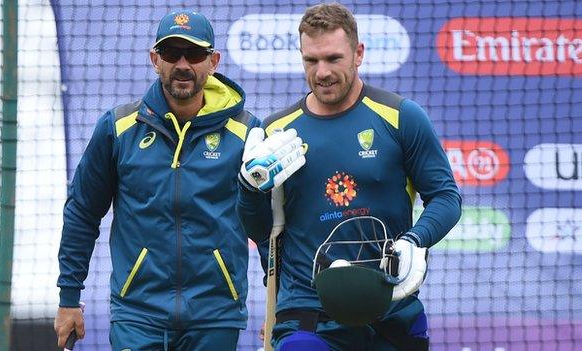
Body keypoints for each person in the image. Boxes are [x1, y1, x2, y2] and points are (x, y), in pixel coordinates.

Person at [237, 3, 462, 351]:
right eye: (311, 61)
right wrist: (249, 188)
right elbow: (260, 232)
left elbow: (446, 197)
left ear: (358, 54)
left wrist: (415, 241)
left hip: (390, 308)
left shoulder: (401, 117)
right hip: (307, 311)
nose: (321, 72)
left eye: (333, 58)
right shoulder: (277, 133)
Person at [54, 10, 260, 351]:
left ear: (213, 61)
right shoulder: (118, 128)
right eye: (170, 53)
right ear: (154, 59)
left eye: (194, 54)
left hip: (215, 315)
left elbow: (267, 224)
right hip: (137, 313)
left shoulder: (246, 133)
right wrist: (68, 296)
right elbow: (82, 213)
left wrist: (281, 303)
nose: (182, 64)